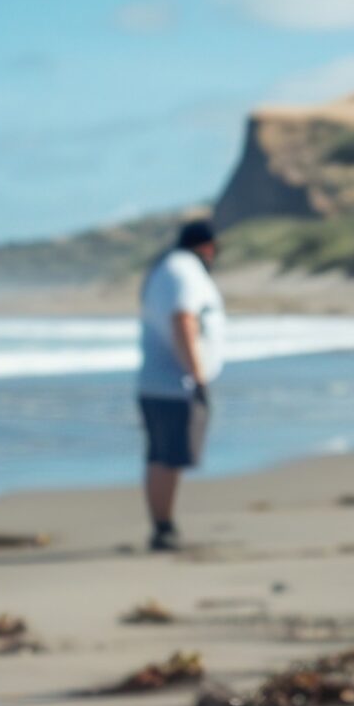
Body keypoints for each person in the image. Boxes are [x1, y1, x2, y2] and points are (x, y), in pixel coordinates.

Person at [138, 219, 224, 551]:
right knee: (167, 456)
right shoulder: (184, 271)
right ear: (207, 247)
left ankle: (164, 524)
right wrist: (197, 375)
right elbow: (183, 319)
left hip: (161, 381)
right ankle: (163, 527)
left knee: (164, 456)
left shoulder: (168, 269)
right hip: (174, 383)